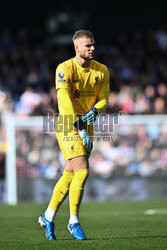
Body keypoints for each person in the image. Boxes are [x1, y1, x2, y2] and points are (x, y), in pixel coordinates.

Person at [38, 30, 110, 240]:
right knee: (83, 170)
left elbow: (104, 97)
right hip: (68, 125)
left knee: (69, 173)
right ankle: (73, 221)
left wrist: (96, 110)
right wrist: (78, 127)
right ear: (77, 47)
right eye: (87, 45)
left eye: (93, 44)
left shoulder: (102, 70)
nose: (92, 48)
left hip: (86, 125)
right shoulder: (64, 69)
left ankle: (48, 216)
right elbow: (64, 102)